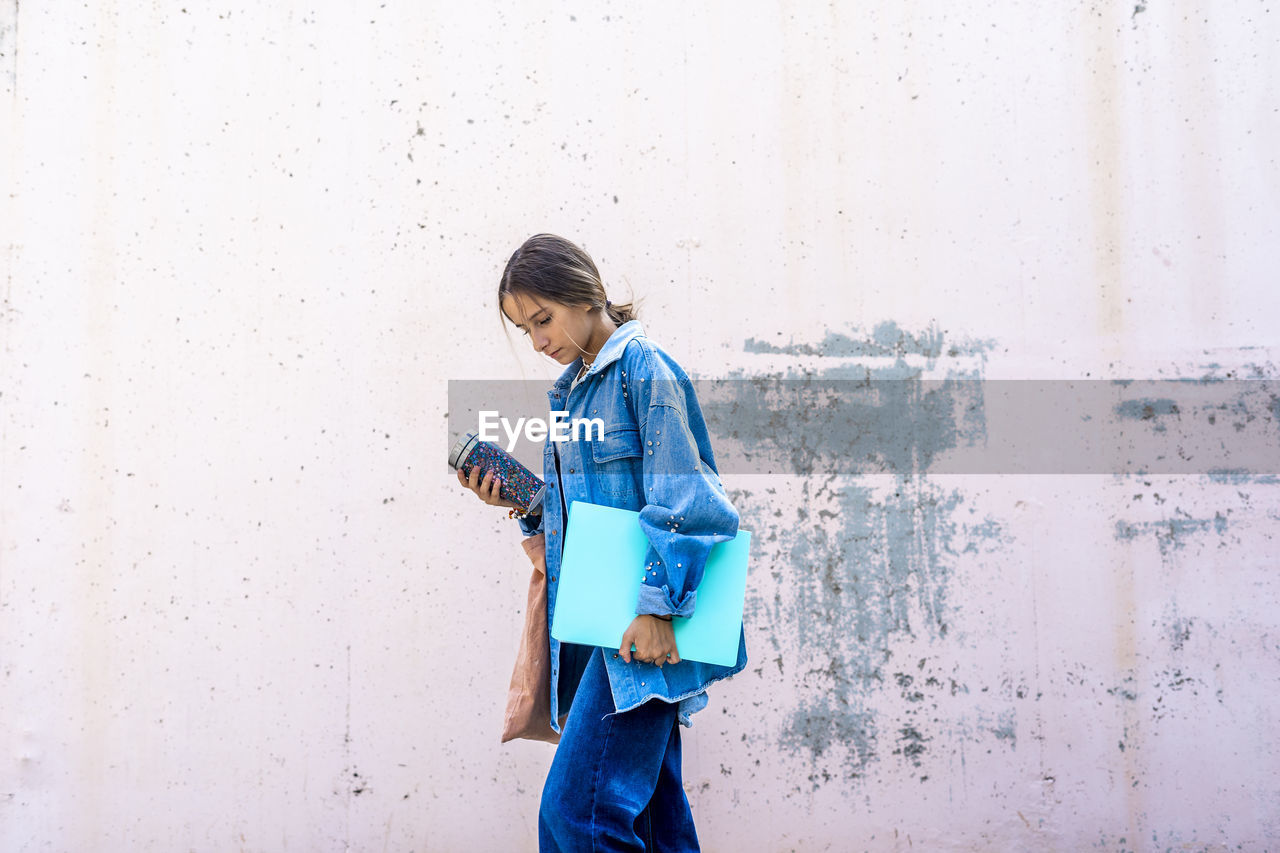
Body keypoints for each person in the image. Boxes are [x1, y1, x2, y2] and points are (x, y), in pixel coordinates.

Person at [456, 233, 747, 851]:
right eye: (524, 328)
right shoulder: (570, 394)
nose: (538, 341)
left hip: (643, 631)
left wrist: (657, 607)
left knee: (578, 815)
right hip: (599, 628)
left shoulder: (645, 370)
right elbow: (579, 522)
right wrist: (526, 507)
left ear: (583, 293)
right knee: (655, 822)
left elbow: (690, 499)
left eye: (543, 318)